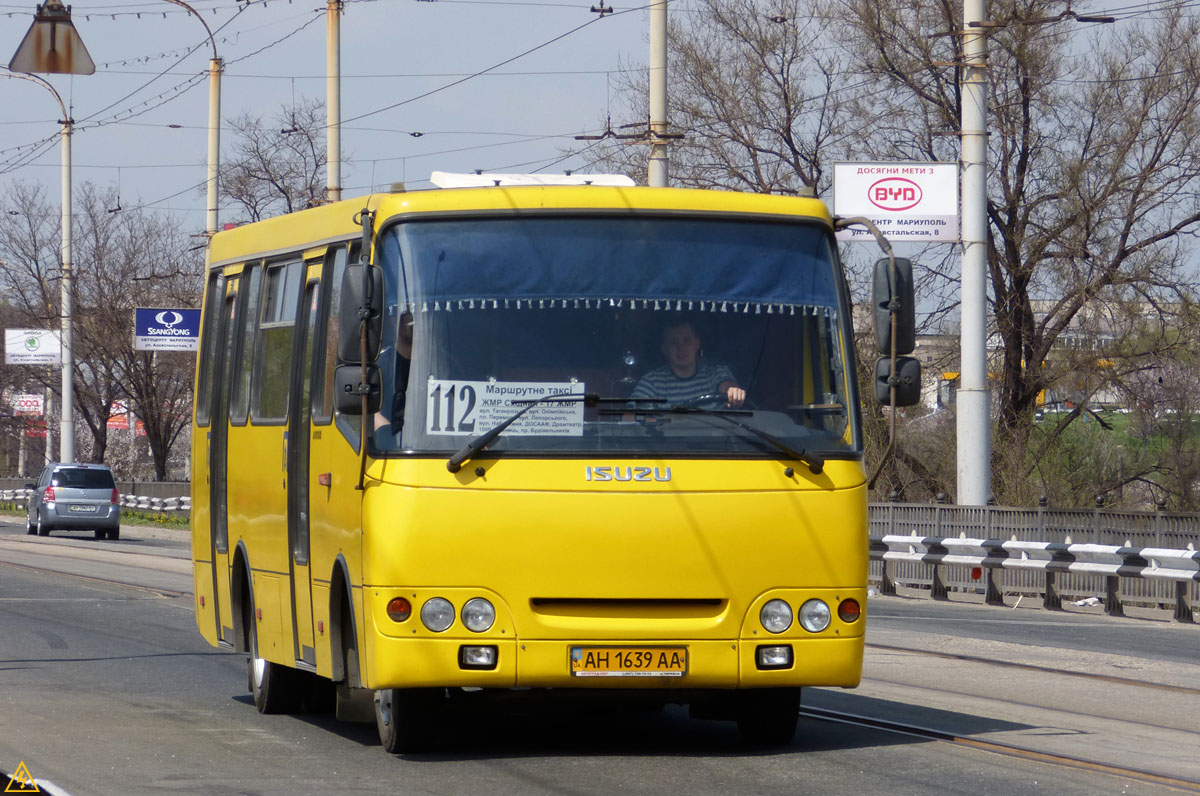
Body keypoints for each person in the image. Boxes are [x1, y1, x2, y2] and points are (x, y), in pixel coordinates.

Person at [631, 319, 746, 407]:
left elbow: (727, 386)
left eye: (686, 340)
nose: (681, 348)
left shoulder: (715, 373)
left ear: (696, 344)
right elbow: (629, 418)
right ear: (664, 349)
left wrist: (733, 392)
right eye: (673, 342)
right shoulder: (652, 382)